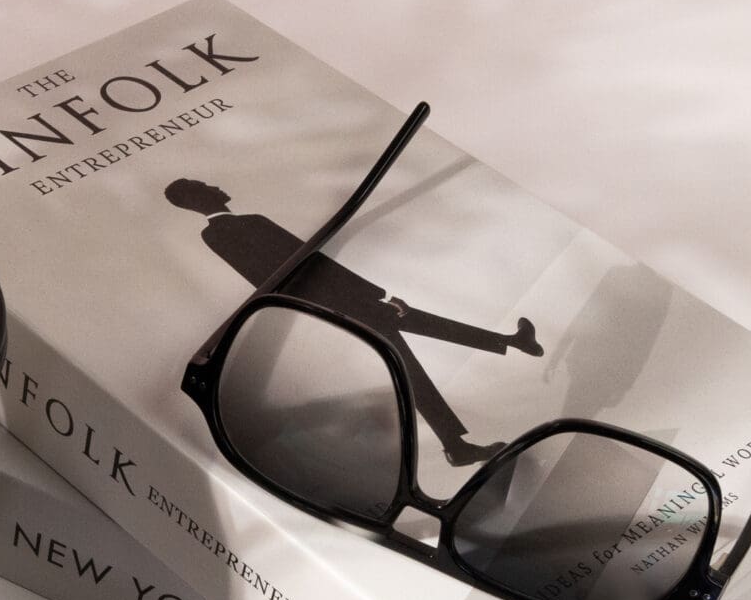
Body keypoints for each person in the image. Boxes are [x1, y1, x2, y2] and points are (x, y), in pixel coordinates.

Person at [167, 177, 541, 467]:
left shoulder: (248, 221)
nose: (217, 186)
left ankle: (498, 364)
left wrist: (369, 294)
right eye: (206, 186)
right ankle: (463, 432)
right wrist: (365, 297)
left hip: (335, 298)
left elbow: (312, 260)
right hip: (334, 300)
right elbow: (290, 269)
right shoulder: (218, 232)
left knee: (416, 345)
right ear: (196, 199)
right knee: (410, 357)